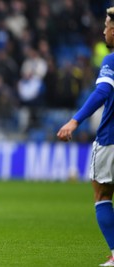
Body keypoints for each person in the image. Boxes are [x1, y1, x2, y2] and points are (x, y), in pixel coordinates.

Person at [57, 7, 114, 267]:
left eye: (106, 26)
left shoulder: (111, 61)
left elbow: (102, 92)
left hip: (110, 138)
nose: (103, 31)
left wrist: (74, 120)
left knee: (102, 194)